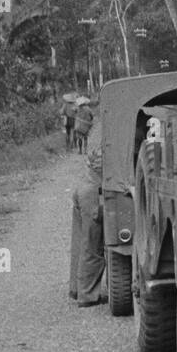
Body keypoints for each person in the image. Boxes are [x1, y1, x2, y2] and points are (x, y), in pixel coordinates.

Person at [69, 116, 107, 308]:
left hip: (83, 187)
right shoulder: (112, 139)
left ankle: (76, 289)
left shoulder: (99, 131)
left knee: (81, 242)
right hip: (92, 192)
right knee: (93, 245)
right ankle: (87, 296)